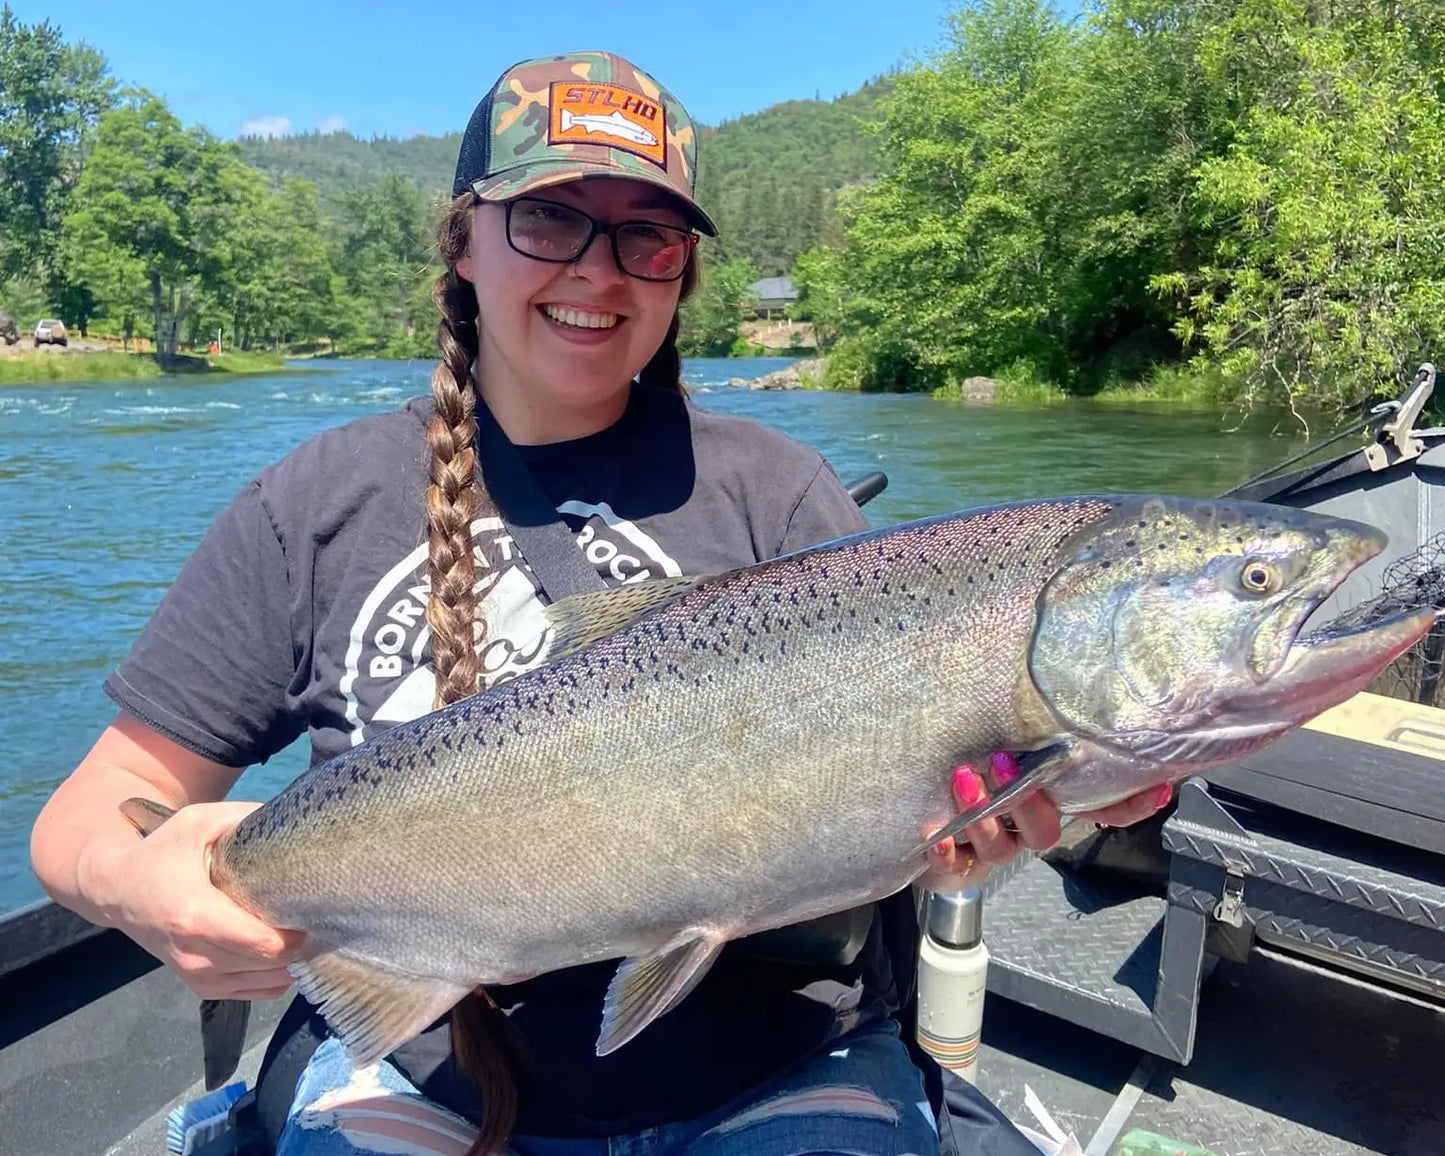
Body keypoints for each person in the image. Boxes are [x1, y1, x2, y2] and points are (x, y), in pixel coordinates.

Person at [30, 51, 1169, 1156]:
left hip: (782, 1066)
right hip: (415, 1071)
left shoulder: (778, 492)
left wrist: (993, 826)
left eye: (647, 236)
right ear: (462, 243)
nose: (597, 270)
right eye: (548, 220)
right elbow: (84, 821)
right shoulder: (313, 506)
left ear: (681, 273)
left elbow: (920, 795)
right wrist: (139, 883)